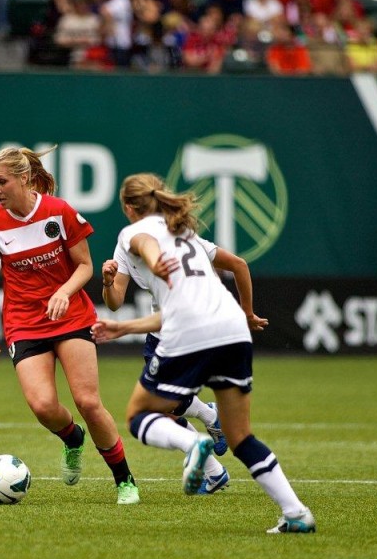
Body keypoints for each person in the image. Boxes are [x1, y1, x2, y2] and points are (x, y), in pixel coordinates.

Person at [93, 173, 315, 531]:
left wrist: (152, 259)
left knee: (138, 415)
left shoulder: (134, 233)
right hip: (232, 330)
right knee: (241, 436)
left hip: (188, 333)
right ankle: (296, 514)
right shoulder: (185, 234)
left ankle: (193, 442)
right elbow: (198, 292)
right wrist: (124, 327)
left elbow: (146, 242)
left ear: (129, 207)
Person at [0, 146, 140, 505]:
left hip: (70, 316)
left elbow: (85, 265)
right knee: (43, 406)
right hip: (23, 323)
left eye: (2, 181)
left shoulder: (58, 211)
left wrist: (64, 292)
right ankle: (72, 439)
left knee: (88, 401)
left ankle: (124, 479)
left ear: (24, 178)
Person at [101, 228, 232, 495]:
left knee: (153, 409)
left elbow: (232, 267)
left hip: (188, 334)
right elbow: (115, 302)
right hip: (157, 337)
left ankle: (210, 427)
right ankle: (213, 463)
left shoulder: (177, 234)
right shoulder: (125, 244)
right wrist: (107, 282)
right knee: (162, 411)